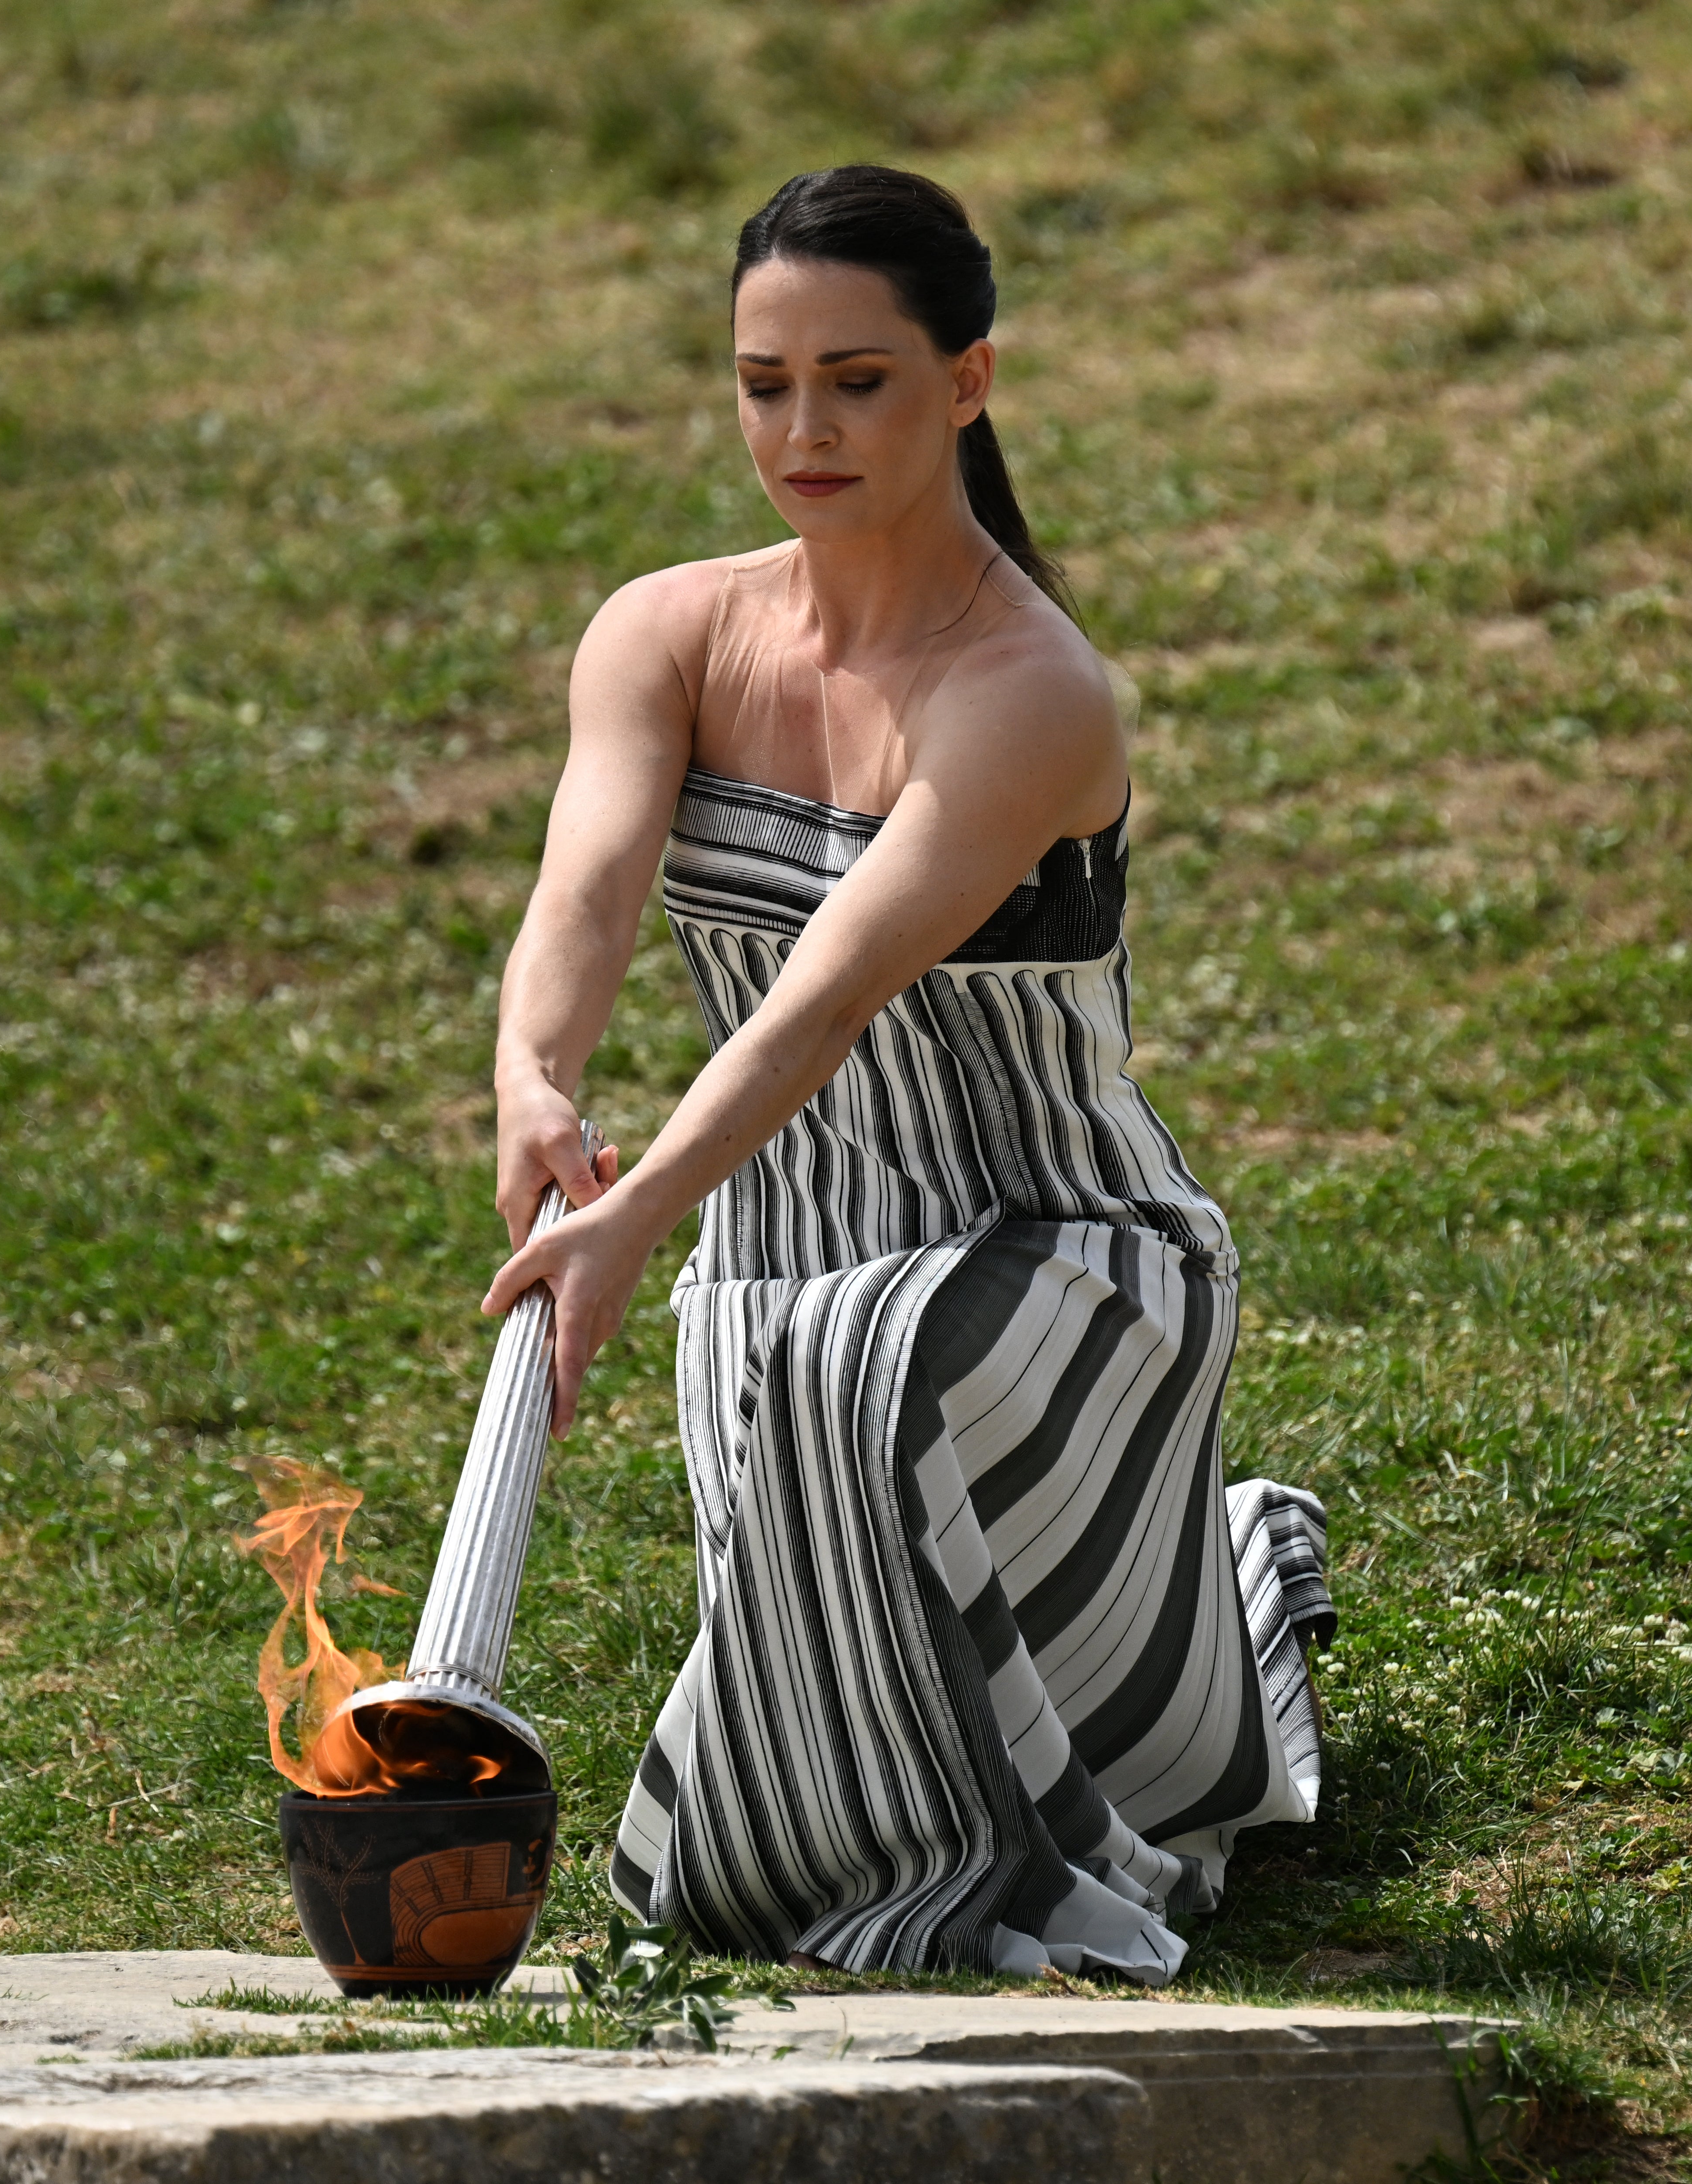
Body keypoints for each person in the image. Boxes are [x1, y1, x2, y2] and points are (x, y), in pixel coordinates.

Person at [479, 164, 1333, 1983]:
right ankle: (889, 1836)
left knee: (851, 1371)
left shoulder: (1031, 688)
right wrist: (534, 1072)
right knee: (802, 1358)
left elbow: (826, 995)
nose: (803, 426)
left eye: (858, 379)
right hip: (775, 1251)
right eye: (763, 379)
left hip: (1065, 1252)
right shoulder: (668, 628)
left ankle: (955, 1880)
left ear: (968, 381)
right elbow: (589, 881)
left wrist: (633, 1212)